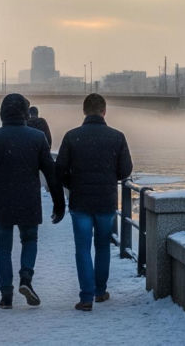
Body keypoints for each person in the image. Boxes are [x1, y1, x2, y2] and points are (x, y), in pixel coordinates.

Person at [0, 93, 65, 309]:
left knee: (3, 249)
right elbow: (51, 173)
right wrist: (59, 202)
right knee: (29, 240)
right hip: (28, 197)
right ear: (25, 113)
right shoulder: (37, 137)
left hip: (2, 198)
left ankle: (6, 295)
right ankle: (26, 278)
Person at [56, 93, 132, 311]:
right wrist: (109, 178)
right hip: (106, 201)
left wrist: (72, 183)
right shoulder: (117, 137)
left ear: (84, 111)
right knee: (102, 247)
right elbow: (125, 170)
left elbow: (59, 169)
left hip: (80, 201)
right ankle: (100, 291)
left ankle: (86, 297)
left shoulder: (72, 136)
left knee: (82, 248)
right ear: (104, 111)